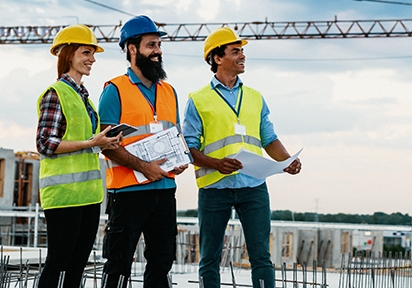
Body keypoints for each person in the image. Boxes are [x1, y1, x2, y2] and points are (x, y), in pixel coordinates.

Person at [182, 27, 302, 288]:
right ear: (217, 58)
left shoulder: (255, 98)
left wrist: (287, 160)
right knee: (210, 258)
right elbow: (189, 148)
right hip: (215, 188)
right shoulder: (198, 100)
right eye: (235, 51)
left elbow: (269, 139)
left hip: (253, 187)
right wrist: (216, 164)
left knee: (261, 257)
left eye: (242, 51)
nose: (242, 56)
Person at [98, 15, 188, 288]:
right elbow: (106, 145)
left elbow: (177, 135)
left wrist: (180, 158)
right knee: (119, 264)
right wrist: (144, 167)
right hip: (127, 194)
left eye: (159, 45)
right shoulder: (114, 90)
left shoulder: (169, 91)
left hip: (164, 191)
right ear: (132, 49)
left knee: (162, 263)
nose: (158, 51)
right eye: (151, 45)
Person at [36, 24, 122, 288]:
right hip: (64, 197)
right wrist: (90, 141)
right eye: (86, 52)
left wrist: (105, 141)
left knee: (76, 267)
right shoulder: (56, 94)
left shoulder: (84, 97)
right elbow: (45, 143)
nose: (92, 59)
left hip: (87, 195)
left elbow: (86, 143)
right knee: (58, 265)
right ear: (69, 54)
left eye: (93, 54)